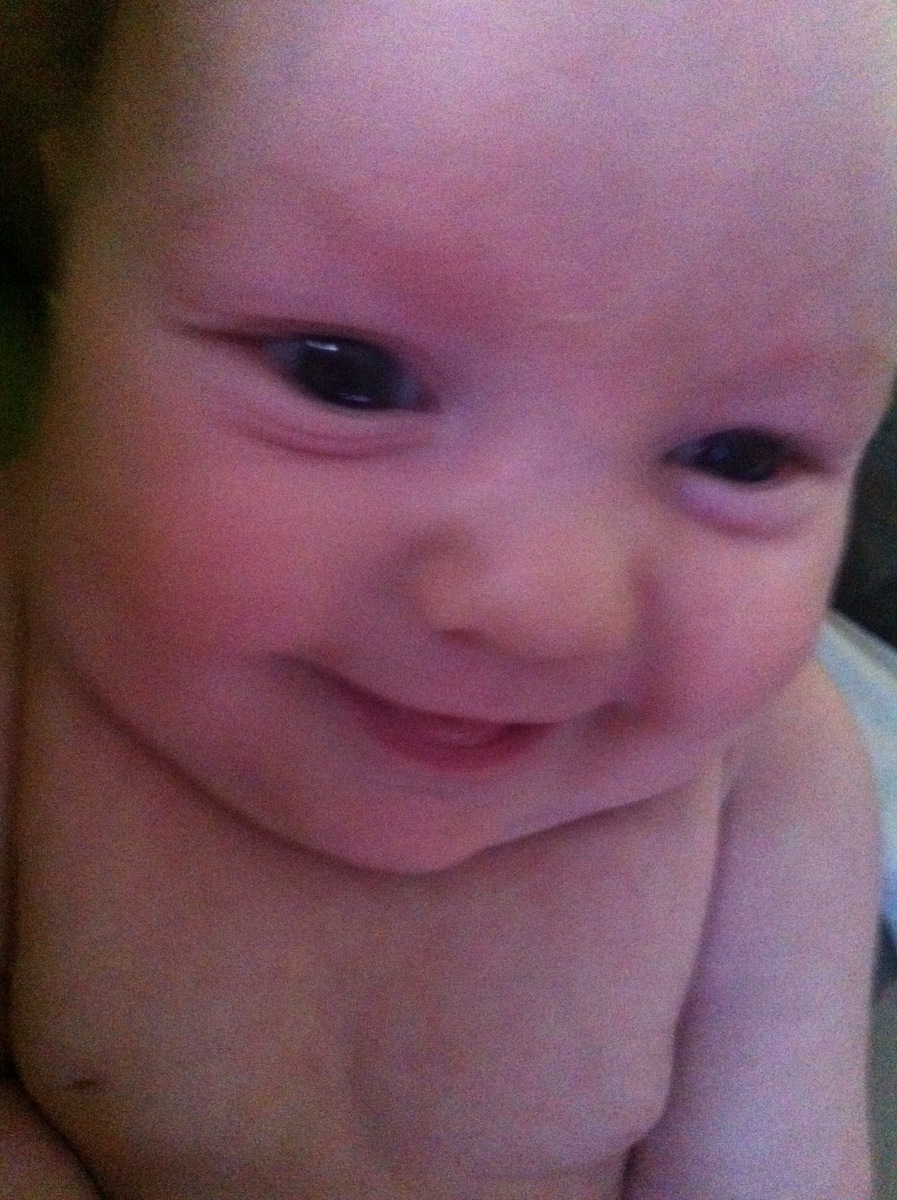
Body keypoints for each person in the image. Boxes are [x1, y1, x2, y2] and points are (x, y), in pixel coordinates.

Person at [1, 1, 895, 1196]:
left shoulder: (767, 785)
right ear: (67, 238)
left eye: (739, 456)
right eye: (344, 376)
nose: (541, 607)